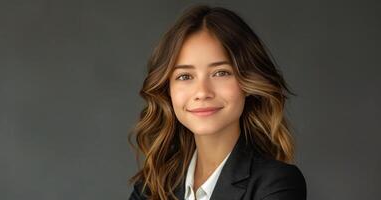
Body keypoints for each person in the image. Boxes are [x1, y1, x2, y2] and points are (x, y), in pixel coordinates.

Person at [127, 4, 307, 200]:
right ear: (167, 89)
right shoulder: (151, 186)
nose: (202, 92)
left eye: (221, 73)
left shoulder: (276, 183)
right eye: (185, 76)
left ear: (247, 83)